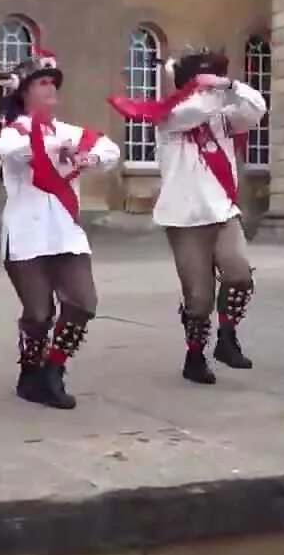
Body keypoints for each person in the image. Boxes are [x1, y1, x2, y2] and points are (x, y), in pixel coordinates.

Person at [106, 46, 265, 385]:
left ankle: (227, 337)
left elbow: (256, 108)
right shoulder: (171, 118)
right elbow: (195, 109)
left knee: (239, 275)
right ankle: (195, 355)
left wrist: (230, 85)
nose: (209, 87)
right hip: (184, 219)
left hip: (222, 210)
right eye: (202, 80)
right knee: (199, 297)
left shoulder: (222, 116)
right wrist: (211, 89)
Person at [0, 50, 120, 409]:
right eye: (42, 82)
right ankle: (30, 375)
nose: (49, 89)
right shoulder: (12, 132)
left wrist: (90, 157)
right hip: (27, 237)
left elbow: (109, 148)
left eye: (52, 83)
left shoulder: (69, 130)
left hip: (66, 232)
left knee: (83, 302)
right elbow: (18, 153)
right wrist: (62, 148)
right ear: (24, 92)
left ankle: (53, 369)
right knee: (39, 313)